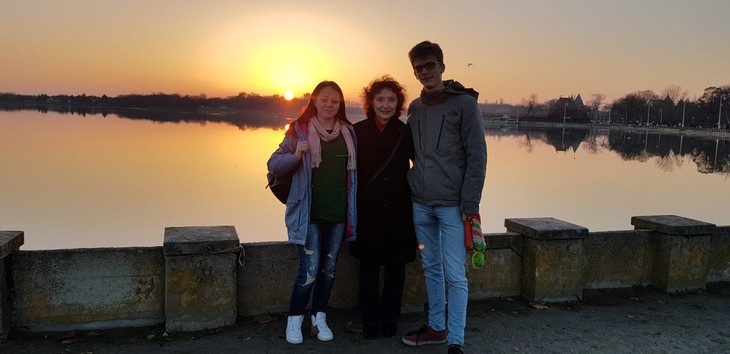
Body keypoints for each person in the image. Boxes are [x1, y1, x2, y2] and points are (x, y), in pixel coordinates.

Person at [400, 41, 487, 354]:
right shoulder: (415, 108)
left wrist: (470, 205)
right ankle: (436, 328)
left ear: (442, 66)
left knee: (455, 273)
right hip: (420, 203)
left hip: (453, 206)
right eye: (419, 68)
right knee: (432, 269)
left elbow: (477, 157)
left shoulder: (465, 105)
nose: (425, 72)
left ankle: (456, 341)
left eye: (430, 66)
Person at [266, 81, 358, 345]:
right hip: (310, 215)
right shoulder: (300, 131)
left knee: (329, 270)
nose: (330, 104)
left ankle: (319, 316)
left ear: (340, 105)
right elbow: (273, 164)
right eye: (325, 99)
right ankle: (295, 319)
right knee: (309, 270)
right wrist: (295, 155)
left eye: (335, 101)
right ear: (314, 101)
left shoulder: (349, 133)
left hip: (339, 215)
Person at [350, 76, 417, 340]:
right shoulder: (356, 131)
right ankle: (369, 319)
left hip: (400, 211)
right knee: (367, 268)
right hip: (366, 211)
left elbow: (423, 164)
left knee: (395, 269)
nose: (386, 105)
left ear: (398, 103)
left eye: (391, 100)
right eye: (380, 99)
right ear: (370, 102)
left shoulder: (405, 132)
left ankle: (390, 319)